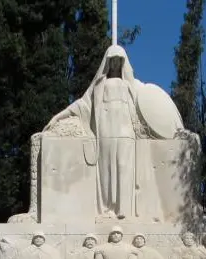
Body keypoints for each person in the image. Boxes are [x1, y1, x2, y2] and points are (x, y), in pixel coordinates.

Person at [45, 46, 140, 220]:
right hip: (105, 132)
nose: (116, 64)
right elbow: (83, 105)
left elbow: (143, 109)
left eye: (120, 61)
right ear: (108, 63)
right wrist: (59, 116)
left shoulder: (131, 86)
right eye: (113, 61)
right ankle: (108, 208)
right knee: (106, 169)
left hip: (126, 133)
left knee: (124, 167)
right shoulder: (98, 86)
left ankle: (124, 209)